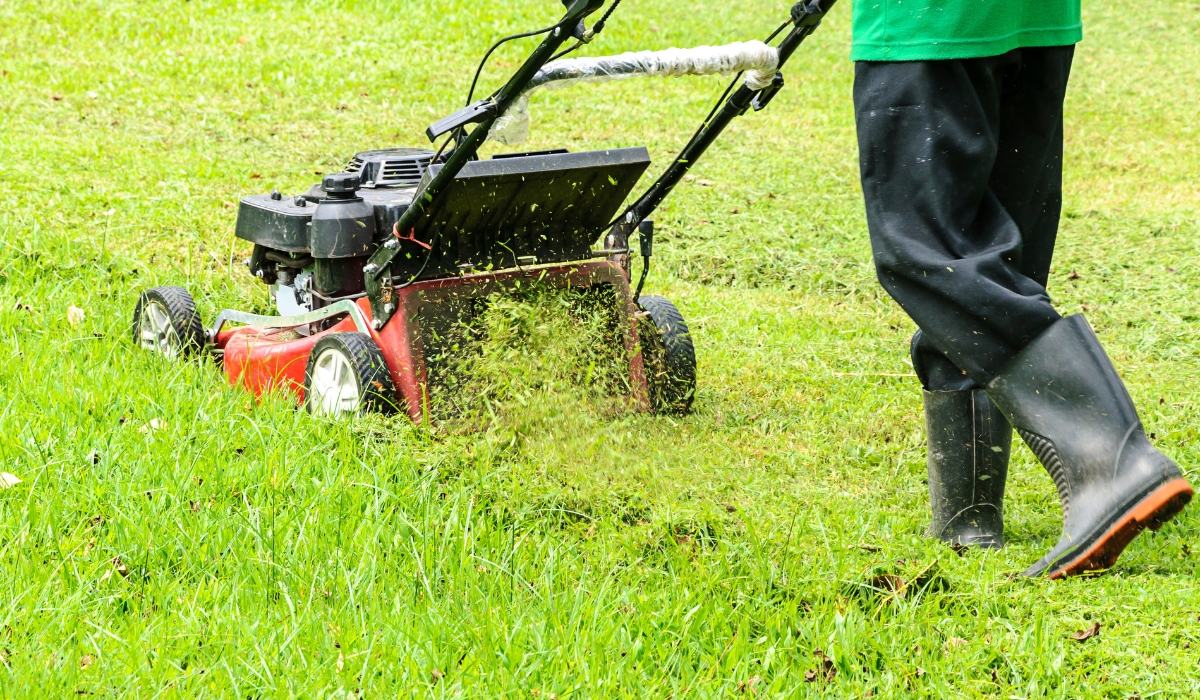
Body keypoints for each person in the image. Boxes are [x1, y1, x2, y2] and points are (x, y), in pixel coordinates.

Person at [850, 1, 1193, 577]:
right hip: (1035, 18)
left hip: (927, 22)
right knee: (995, 250)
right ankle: (968, 514)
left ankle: (1110, 459)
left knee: (931, 251)